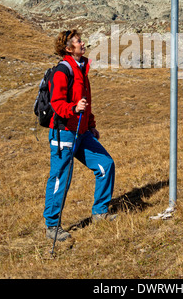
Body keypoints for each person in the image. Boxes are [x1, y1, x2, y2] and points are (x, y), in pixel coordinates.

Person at [44, 29, 116, 241]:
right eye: (78, 41)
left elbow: (85, 103)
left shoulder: (82, 69)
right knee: (60, 179)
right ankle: (52, 226)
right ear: (68, 48)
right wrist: (73, 109)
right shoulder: (62, 71)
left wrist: (91, 125)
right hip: (63, 133)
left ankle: (100, 212)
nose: (83, 43)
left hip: (82, 132)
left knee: (105, 164)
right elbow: (57, 104)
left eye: (81, 40)